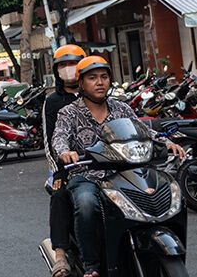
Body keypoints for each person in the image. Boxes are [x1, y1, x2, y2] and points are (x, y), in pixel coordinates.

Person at [53, 56, 186, 277]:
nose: (99, 82)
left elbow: (144, 132)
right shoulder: (68, 112)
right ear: (81, 84)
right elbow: (59, 138)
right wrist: (65, 153)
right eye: (92, 78)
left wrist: (168, 143)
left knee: (163, 193)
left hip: (124, 173)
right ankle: (91, 266)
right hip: (87, 175)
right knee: (86, 204)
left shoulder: (121, 108)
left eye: (104, 77)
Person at [40, 44, 87, 277]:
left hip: (105, 163)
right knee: (60, 194)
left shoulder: (99, 96)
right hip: (66, 167)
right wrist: (60, 169)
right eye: (63, 65)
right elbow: (50, 141)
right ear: (56, 70)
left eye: (74, 64)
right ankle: (60, 253)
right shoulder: (54, 102)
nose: (69, 69)